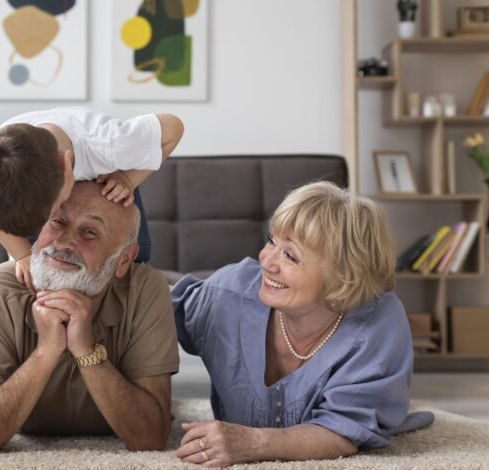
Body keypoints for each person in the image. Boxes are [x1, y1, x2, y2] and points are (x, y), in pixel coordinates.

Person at [170, 181, 434, 467]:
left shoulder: (378, 325)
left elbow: (342, 429)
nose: (266, 261)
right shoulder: (228, 293)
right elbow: (154, 315)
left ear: (343, 274)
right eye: (272, 241)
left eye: (290, 255)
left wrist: (253, 443)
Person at [0, 181, 180, 452]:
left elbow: (150, 438)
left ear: (123, 261)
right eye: (58, 221)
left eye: (89, 232)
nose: (63, 242)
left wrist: (85, 348)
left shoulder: (146, 289)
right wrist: (46, 352)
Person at [0, 107, 184, 292]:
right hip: (31, 171)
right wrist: (22, 256)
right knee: (33, 276)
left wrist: (127, 178)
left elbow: (173, 128)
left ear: (67, 166)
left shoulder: (110, 144)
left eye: (53, 212)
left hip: (106, 174)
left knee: (133, 264)